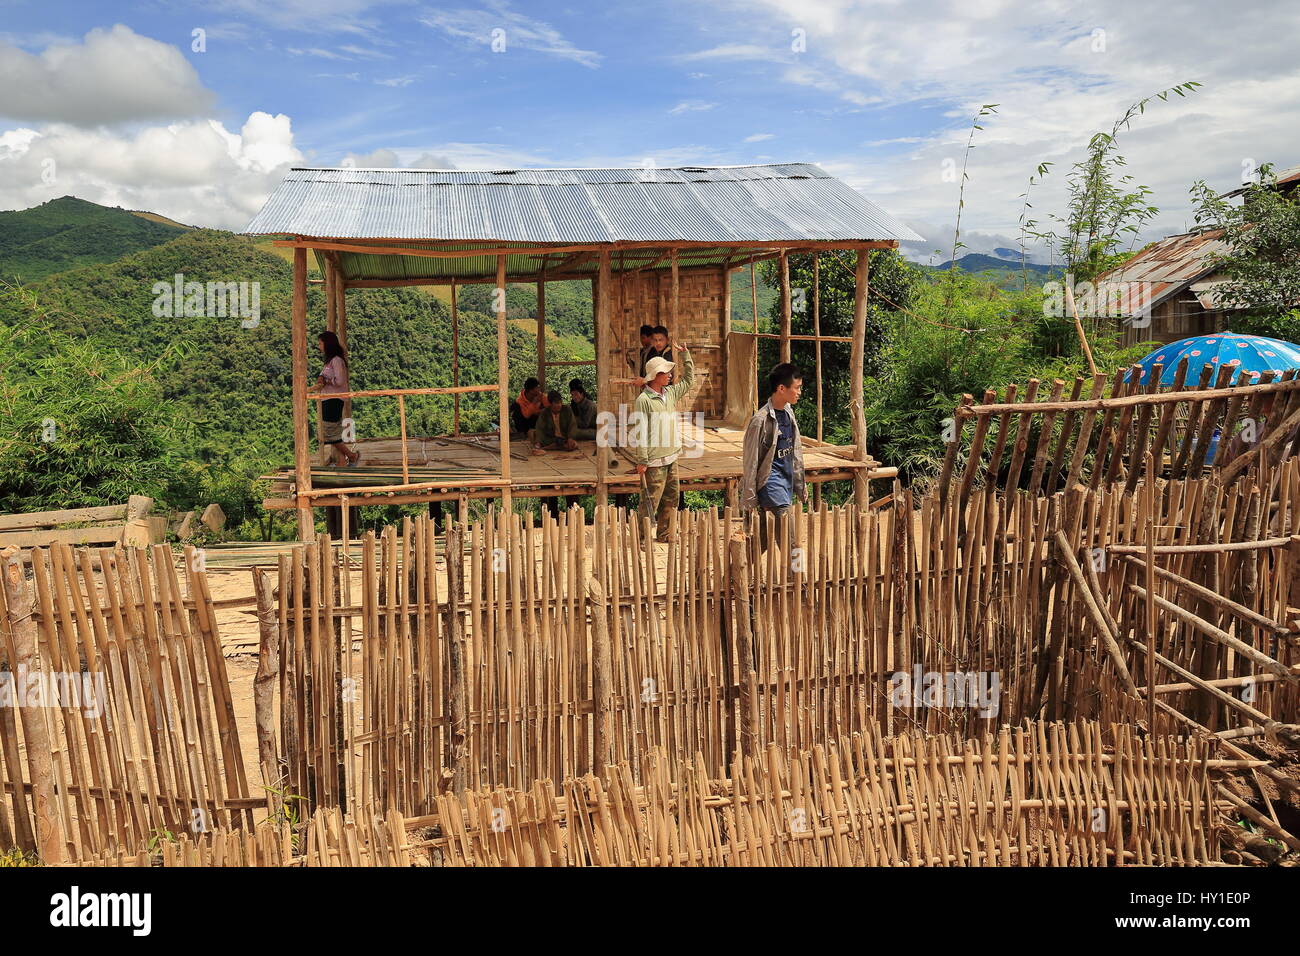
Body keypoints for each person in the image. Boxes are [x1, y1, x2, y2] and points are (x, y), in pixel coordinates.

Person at [740, 362, 807, 552]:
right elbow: (751, 461)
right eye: (797, 388)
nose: (799, 392)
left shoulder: (788, 413)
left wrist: (800, 484)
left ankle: (736, 576)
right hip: (771, 484)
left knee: (761, 541)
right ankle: (798, 577)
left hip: (785, 483)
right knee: (791, 541)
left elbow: (794, 452)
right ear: (781, 388)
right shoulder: (760, 421)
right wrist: (749, 498)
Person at [631, 342, 694, 540]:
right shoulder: (644, 400)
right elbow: (640, 432)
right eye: (665, 372)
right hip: (655, 460)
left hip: (672, 455)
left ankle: (665, 533)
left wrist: (686, 357)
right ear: (655, 376)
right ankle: (642, 538)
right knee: (650, 501)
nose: (669, 375)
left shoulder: (670, 393)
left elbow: (689, 382)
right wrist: (641, 461)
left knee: (671, 498)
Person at [313, 330, 360, 467]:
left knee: (329, 433)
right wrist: (322, 378)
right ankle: (342, 462)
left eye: (320, 343)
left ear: (327, 344)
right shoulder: (330, 361)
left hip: (334, 399)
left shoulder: (337, 361)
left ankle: (351, 456)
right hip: (329, 399)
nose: (319, 346)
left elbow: (339, 380)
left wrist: (327, 381)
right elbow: (324, 375)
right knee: (333, 432)